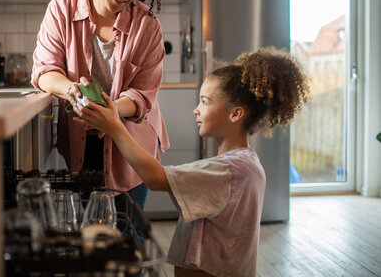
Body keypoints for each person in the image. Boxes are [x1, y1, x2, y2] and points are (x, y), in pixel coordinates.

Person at [71, 47, 310, 277]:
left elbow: (156, 178)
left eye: (205, 102)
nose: (196, 110)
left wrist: (115, 128)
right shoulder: (243, 163)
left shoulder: (231, 170)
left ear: (235, 114)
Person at [31, 0, 169, 214]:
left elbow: (144, 95)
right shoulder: (62, 7)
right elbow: (45, 71)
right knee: (92, 228)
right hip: (82, 138)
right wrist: (72, 91)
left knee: (129, 232)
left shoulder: (147, 25)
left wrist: (110, 112)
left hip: (131, 140)